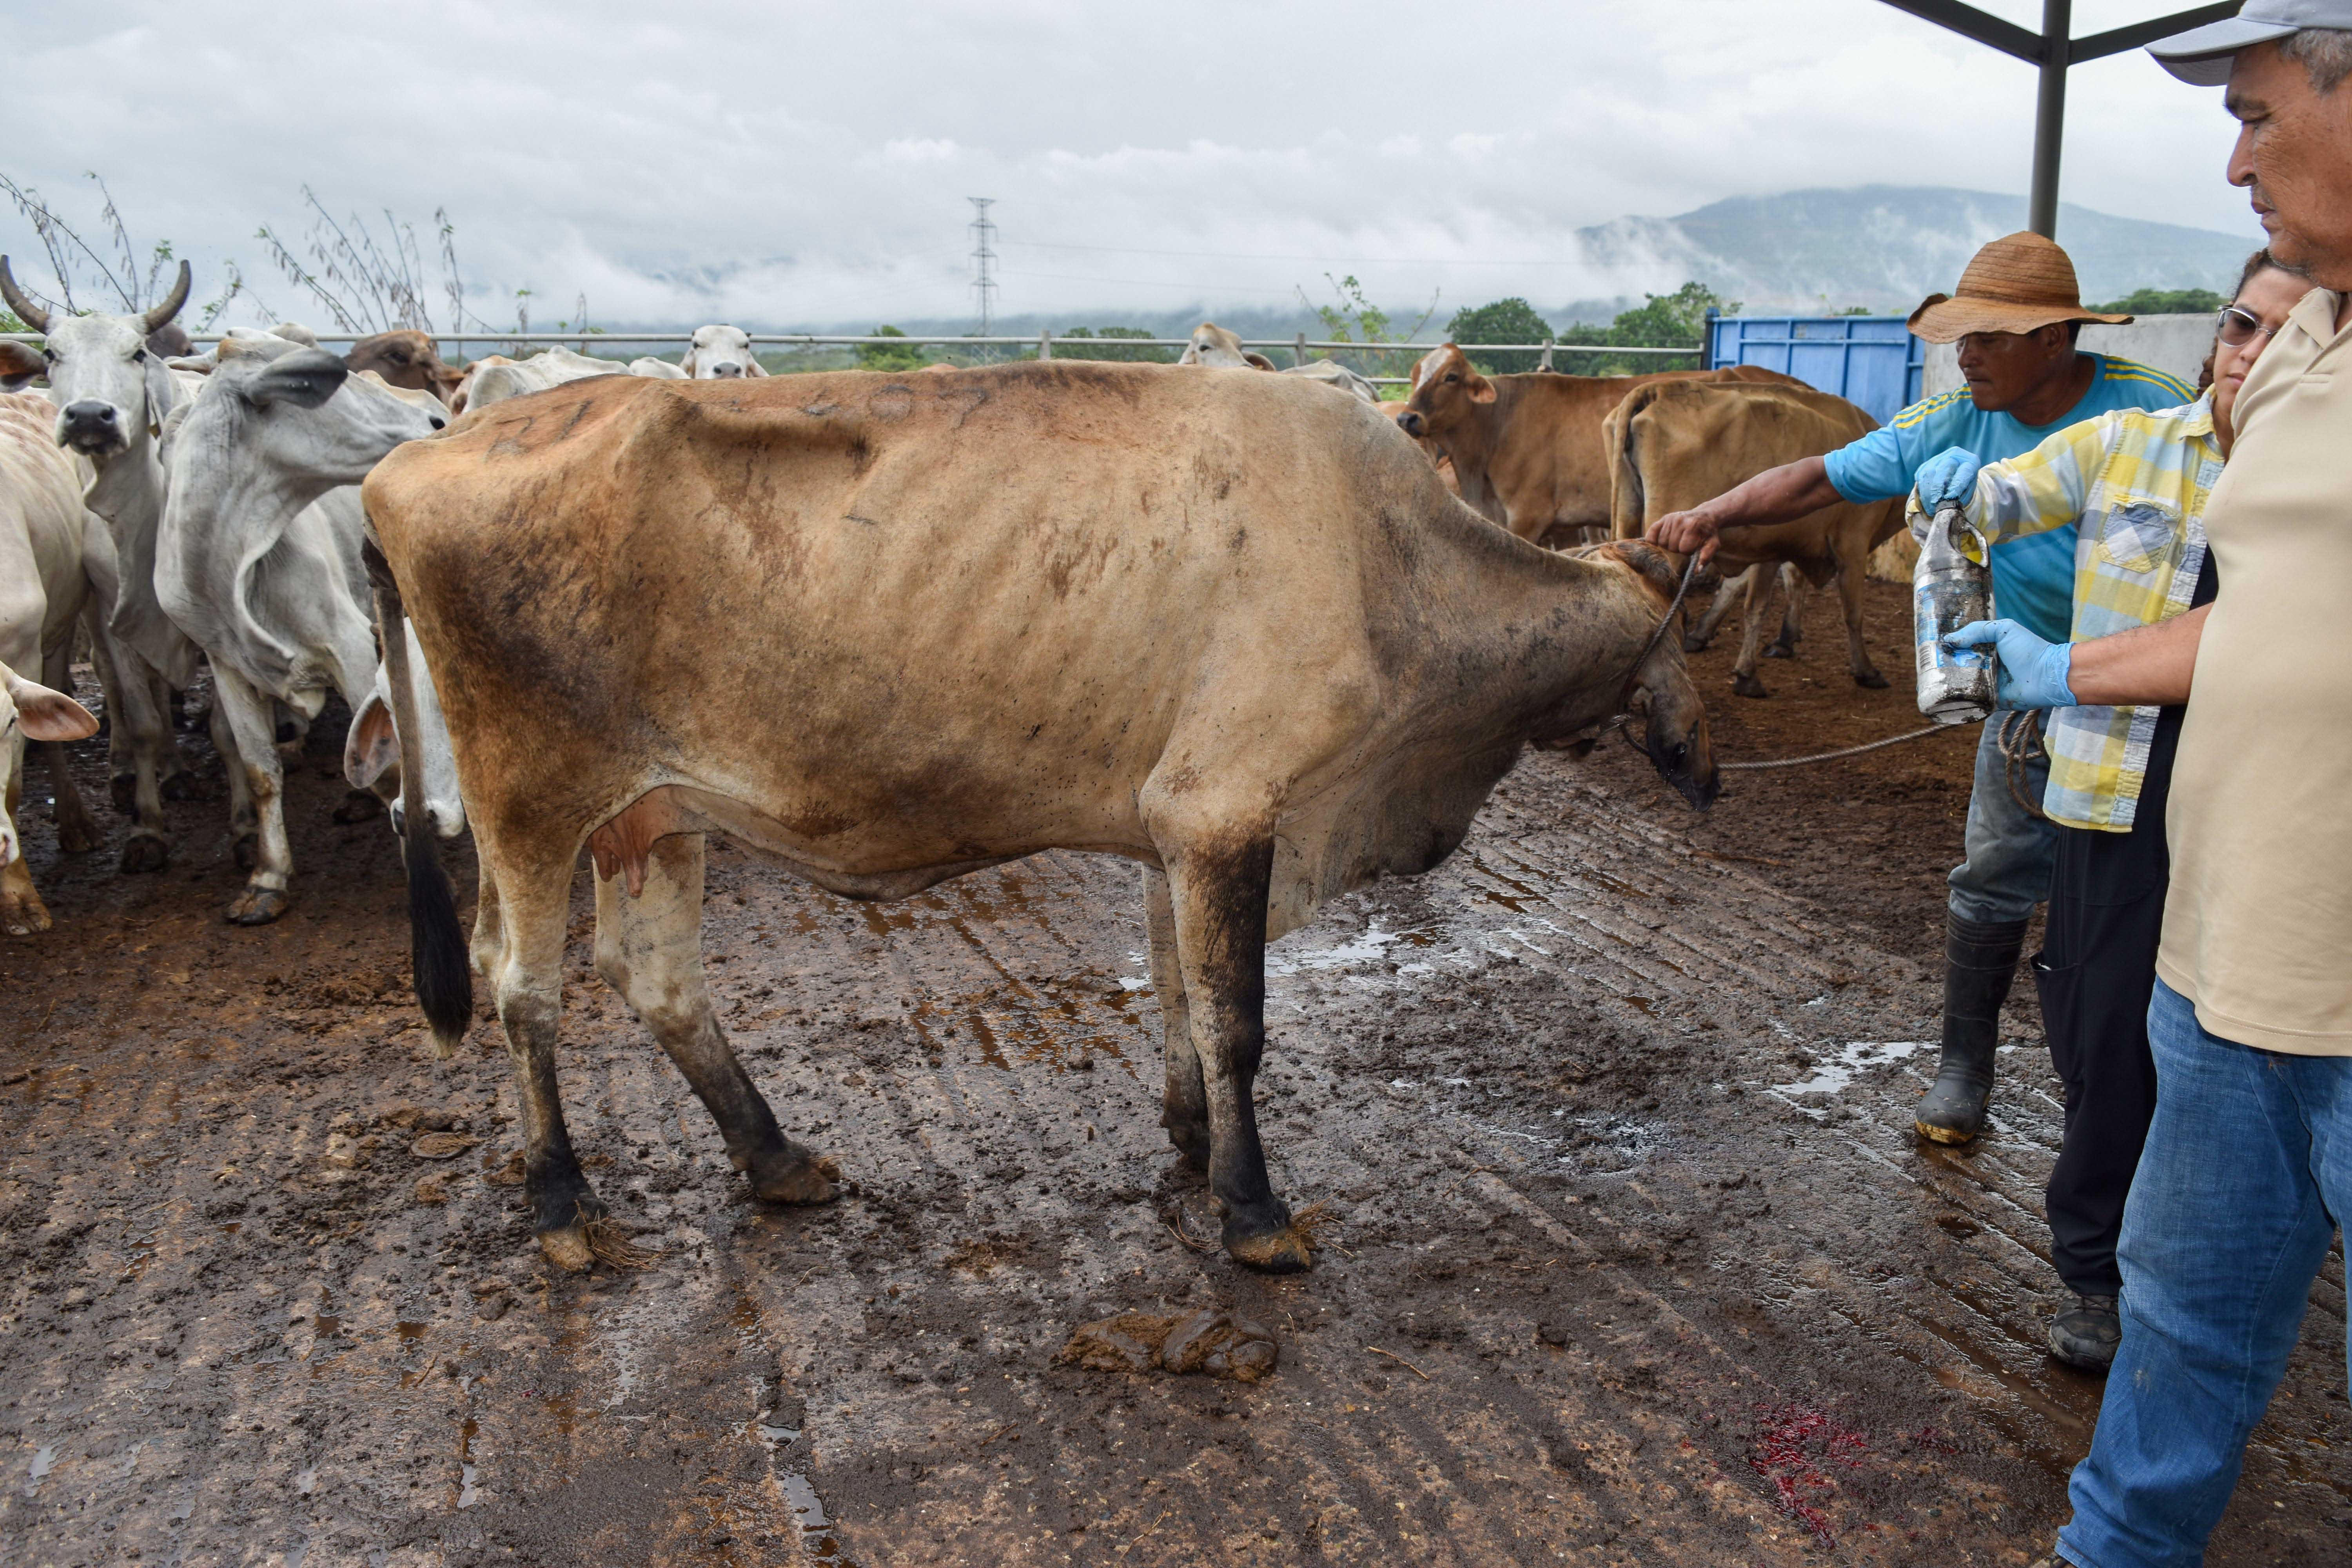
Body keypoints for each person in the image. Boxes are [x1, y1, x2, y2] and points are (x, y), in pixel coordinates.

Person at [1943, 10, 2352, 1563]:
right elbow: (2278, 612)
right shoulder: (2301, 342)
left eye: (2255, 111)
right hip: (2227, 980)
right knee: (2175, 1347)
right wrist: (2053, 668)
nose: (2234, 157)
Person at [1646, 238, 2194, 1151]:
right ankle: (1965, 1066)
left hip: (2153, 692)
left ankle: (2139, 1095)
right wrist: (1717, 512)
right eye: (1961, 339)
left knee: (2153, 895)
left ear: (2055, 339)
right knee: (1993, 874)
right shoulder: (1952, 418)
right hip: (2027, 691)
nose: (1965, 355)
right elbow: (1823, 476)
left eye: (1986, 338)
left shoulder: (2153, 409)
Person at [1906, 251, 2315, 1373]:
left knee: (2243, 1043)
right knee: (2103, 1043)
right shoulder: (2127, 446)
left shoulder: (2323, 489)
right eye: (2241, 326)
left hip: (2271, 806)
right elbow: (1995, 495)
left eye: (2292, 335)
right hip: (2116, 795)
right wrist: (1948, 489)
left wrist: (2067, 664)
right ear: (2213, 341)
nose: (2255, 355)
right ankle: (2095, 1269)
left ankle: (2217, 1258)